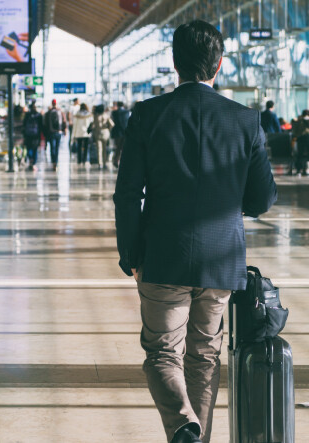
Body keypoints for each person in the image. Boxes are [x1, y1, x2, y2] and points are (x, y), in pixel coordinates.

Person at [113, 20, 277, 443]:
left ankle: (183, 425)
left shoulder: (148, 114)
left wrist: (130, 255)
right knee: (204, 357)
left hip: (162, 256)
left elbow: (127, 194)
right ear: (218, 65)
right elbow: (262, 199)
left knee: (162, 353)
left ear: (174, 63)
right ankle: (196, 437)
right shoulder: (245, 119)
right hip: (221, 259)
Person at [292, 109, 309, 175]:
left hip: (300, 139)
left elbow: (294, 131)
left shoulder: (299, 121)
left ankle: (299, 170)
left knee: (300, 155)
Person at [43, 99, 67, 171]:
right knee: (56, 148)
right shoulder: (60, 112)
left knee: (52, 148)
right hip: (58, 132)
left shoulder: (48, 113)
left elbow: (45, 124)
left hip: (51, 132)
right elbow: (64, 121)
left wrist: (45, 133)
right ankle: (56, 162)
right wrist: (65, 130)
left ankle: (53, 162)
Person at [22, 103, 44, 171]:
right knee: (35, 149)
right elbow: (41, 126)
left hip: (28, 135)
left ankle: (31, 159)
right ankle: (34, 163)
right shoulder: (39, 115)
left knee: (29, 148)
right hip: (36, 135)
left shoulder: (27, 115)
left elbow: (24, 125)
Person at [91, 104, 114, 169]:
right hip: (105, 132)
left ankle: (100, 163)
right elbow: (112, 124)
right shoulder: (106, 115)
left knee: (99, 149)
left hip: (97, 133)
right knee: (104, 149)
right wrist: (108, 129)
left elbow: (93, 125)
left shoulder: (95, 116)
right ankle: (104, 163)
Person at [111, 101, 131, 167]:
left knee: (117, 148)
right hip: (125, 132)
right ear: (123, 105)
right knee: (124, 148)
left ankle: (116, 161)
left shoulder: (114, 113)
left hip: (117, 133)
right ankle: (124, 161)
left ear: (117, 105)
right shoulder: (127, 112)